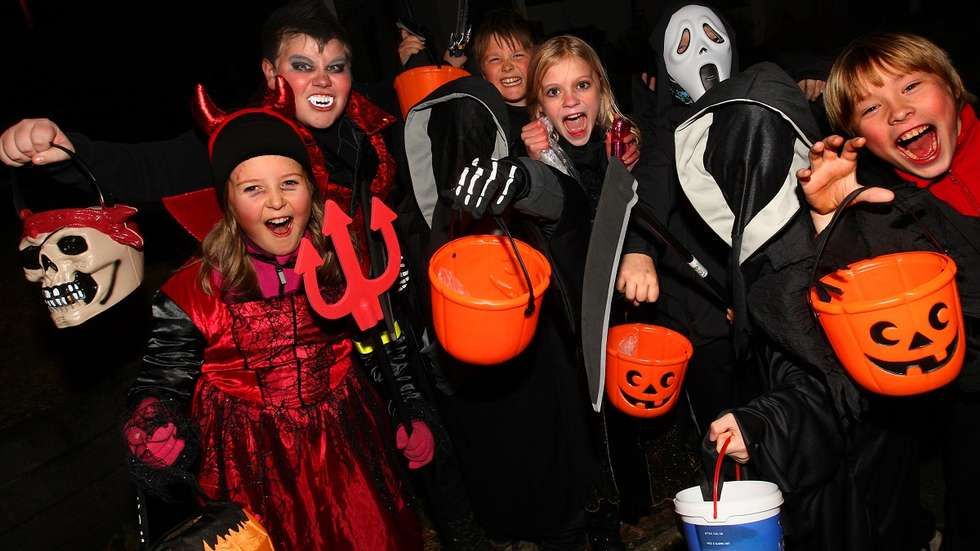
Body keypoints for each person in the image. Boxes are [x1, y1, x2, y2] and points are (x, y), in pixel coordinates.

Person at [0, 2, 488, 548]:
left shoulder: (366, 122)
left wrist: (441, 66)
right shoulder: (240, 139)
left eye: (335, 66)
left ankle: (462, 526)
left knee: (419, 443)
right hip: (266, 409)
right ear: (270, 73)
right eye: (301, 66)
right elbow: (144, 169)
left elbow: (423, 108)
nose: (322, 80)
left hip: (370, 318)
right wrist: (68, 150)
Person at [123, 80, 425, 550]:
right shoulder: (196, 290)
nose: (277, 201)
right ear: (227, 202)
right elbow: (162, 378)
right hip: (249, 460)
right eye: (253, 189)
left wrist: (408, 409)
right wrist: (153, 422)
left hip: (346, 440)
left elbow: (380, 342)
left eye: (289, 183)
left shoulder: (343, 262)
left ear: (311, 189)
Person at [797, 32, 980, 551]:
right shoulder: (890, 212)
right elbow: (824, 329)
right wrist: (831, 223)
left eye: (911, 86)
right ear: (860, 138)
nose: (899, 112)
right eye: (872, 108)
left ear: (953, 85)